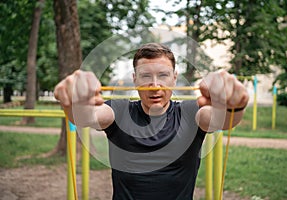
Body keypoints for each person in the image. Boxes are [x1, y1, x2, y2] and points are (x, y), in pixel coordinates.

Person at [54, 43, 249, 200]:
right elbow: (88, 116)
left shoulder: (190, 113)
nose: (154, 86)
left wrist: (236, 104)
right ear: (135, 79)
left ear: (174, 79)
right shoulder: (120, 111)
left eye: (163, 76)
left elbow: (223, 121)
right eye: (146, 76)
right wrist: (73, 101)